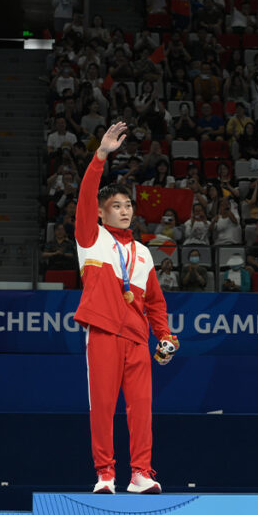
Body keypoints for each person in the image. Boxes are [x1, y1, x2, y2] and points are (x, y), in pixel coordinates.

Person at [73, 122, 178, 494]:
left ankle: (140, 474)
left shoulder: (144, 253)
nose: (124, 210)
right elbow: (86, 195)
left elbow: (155, 302)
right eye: (115, 206)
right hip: (102, 332)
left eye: (128, 205)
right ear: (101, 213)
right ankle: (105, 473)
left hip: (136, 338)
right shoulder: (91, 237)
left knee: (141, 410)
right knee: (102, 407)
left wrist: (164, 335)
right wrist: (100, 156)